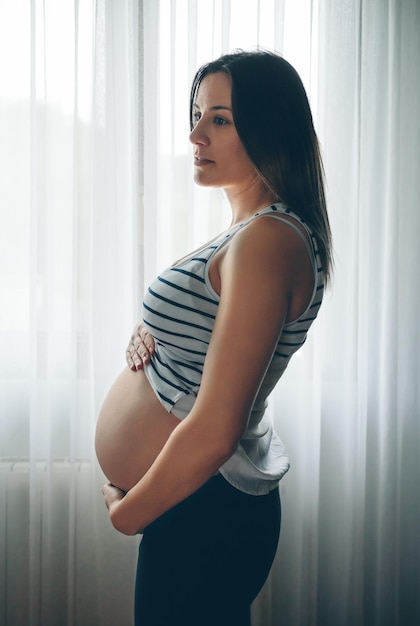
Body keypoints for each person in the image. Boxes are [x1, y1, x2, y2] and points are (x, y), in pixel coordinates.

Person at [96, 50, 332, 626]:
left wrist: (127, 515)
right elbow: (212, 350)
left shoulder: (269, 238)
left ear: (269, 125)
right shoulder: (254, 231)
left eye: (219, 119)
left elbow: (217, 427)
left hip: (202, 510)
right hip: (194, 506)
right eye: (198, 115)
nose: (195, 132)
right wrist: (151, 340)